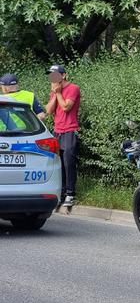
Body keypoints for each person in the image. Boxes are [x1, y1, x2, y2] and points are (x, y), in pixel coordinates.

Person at [45, 65, 81, 207]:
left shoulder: (73, 88)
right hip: (57, 130)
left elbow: (66, 107)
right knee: (58, 163)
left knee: (68, 162)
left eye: (55, 75)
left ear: (63, 75)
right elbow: (48, 110)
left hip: (70, 130)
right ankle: (61, 192)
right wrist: (55, 94)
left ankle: (70, 194)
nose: (52, 78)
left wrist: (59, 93)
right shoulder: (54, 90)